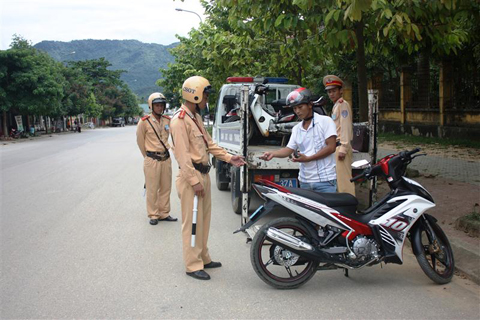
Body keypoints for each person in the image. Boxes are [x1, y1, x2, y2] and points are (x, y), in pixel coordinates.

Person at [170, 76, 246, 281]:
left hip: (203, 174)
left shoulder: (195, 117)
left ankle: (203, 257)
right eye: (205, 95)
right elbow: (182, 155)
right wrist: (194, 181)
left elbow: (209, 144)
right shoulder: (179, 121)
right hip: (191, 178)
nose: (206, 100)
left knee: (203, 221)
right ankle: (192, 265)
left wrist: (231, 158)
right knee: (192, 223)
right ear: (194, 94)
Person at [259, 88, 337, 193]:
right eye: (295, 108)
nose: (297, 111)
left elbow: (331, 147)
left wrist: (309, 158)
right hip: (304, 182)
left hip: (325, 182)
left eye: (300, 107)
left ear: (310, 105)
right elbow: (288, 149)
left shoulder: (325, 121)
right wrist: (272, 154)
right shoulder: (297, 129)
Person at [136, 92, 177, 225]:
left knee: (166, 188)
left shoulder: (167, 120)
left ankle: (164, 213)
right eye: (157, 105)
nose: (160, 108)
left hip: (166, 159)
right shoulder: (144, 122)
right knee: (152, 189)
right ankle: (153, 214)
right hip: (152, 159)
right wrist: (148, 157)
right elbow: (140, 142)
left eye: (162, 105)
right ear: (151, 106)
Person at [323, 75, 355, 196]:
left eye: (334, 91)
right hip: (336, 146)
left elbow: (345, 127)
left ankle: (350, 209)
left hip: (341, 146)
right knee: (339, 181)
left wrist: (344, 147)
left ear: (340, 91)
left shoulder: (343, 105)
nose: (331, 94)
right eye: (329, 92)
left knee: (344, 182)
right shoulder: (336, 105)